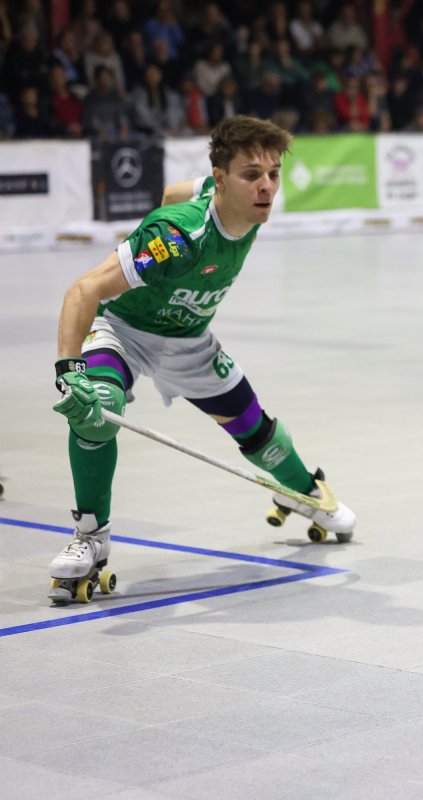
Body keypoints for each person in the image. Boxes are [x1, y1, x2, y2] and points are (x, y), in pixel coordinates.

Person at [50, 116, 356, 604]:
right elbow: (84, 288)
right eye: (252, 174)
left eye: (274, 174)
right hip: (124, 332)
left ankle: (308, 493)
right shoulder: (175, 238)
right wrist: (70, 372)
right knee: (98, 409)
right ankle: (91, 537)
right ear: (221, 180)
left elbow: (175, 190)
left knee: (258, 434)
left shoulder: (242, 203)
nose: (266, 187)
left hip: (189, 340)